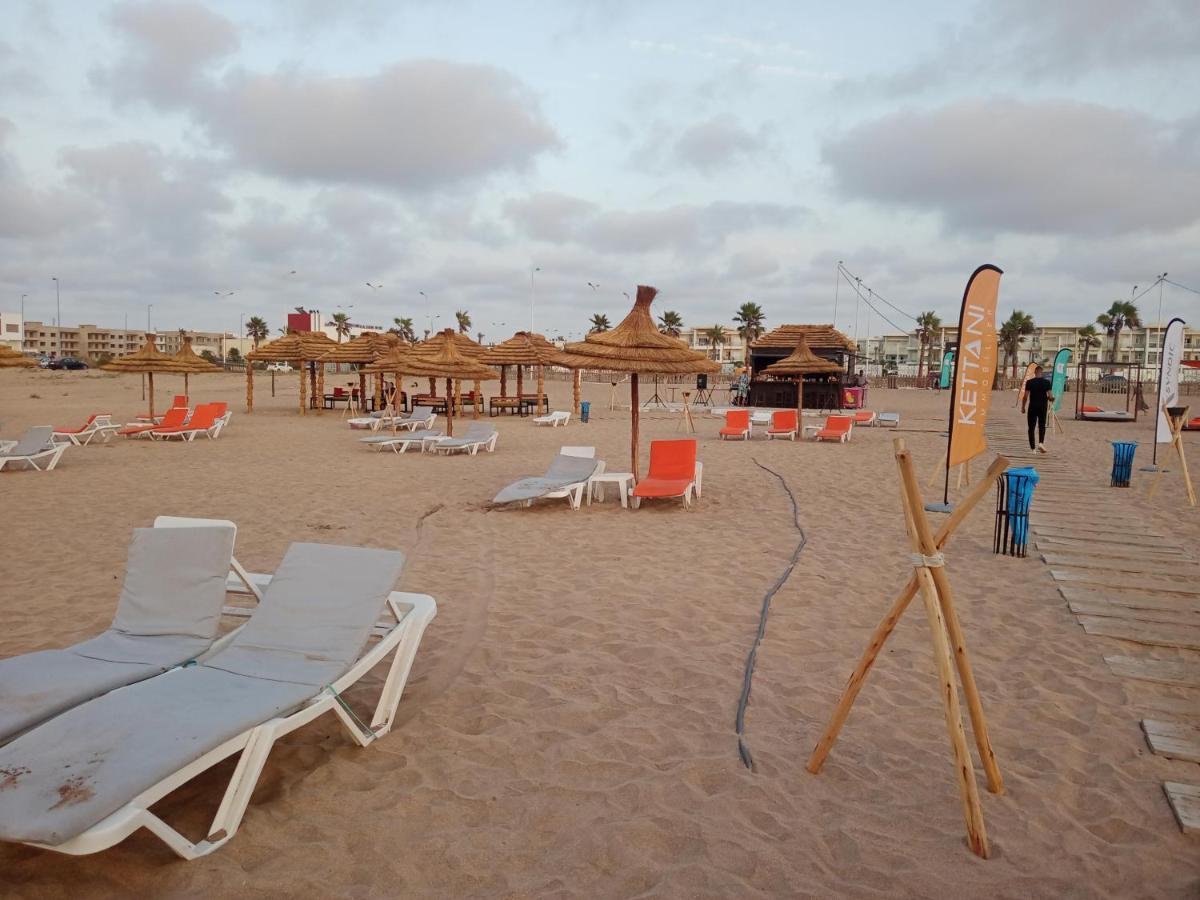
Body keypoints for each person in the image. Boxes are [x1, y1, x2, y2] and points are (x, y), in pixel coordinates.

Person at [1021, 365, 1054, 453]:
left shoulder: (1030, 382)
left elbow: (1025, 396)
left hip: (1032, 407)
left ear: (1035, 372)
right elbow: (1050, 396)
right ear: (1041, 372)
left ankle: (1033, 449)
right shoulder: (1047, 382)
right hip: (1043, 407)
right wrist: (1052, 399)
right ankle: (1041, 443)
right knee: (1042, 426)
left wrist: (1023, 407)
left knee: (1031, 427)